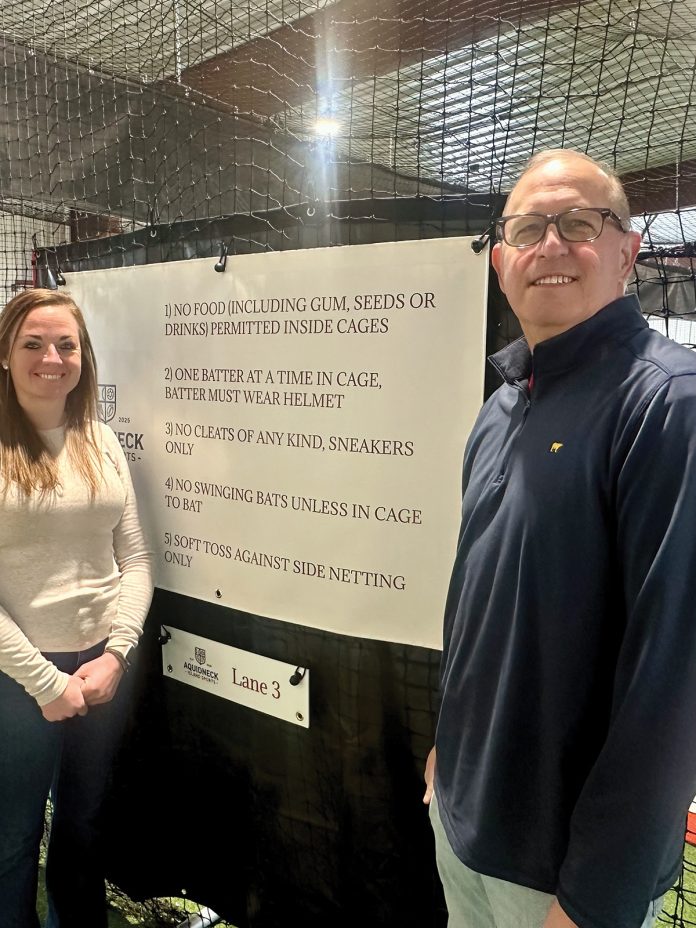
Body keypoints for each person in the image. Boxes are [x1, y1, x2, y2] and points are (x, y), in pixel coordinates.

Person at [424, 149, 696, 928]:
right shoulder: (502, 406)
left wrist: (597, 897)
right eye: (528, 228)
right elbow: (479, 603)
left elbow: (674, 682)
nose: (550, 245)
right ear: (501, 261)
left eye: (578, 223)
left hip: (561, 880)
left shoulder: (669, 404)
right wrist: (450, 752)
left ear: (627, 252)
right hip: (466, 829)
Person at [0, 288, 153, 927]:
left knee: (84, 828)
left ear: (83, 355)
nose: (52, 359)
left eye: (66, 344)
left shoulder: (101, 439)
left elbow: (135, 558)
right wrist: (44, 682)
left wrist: (117, 654)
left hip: (101, 668)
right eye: (33, 343)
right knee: (11, 837)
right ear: (5, 355)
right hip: (15, 678)